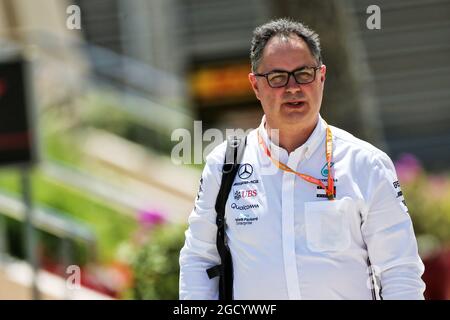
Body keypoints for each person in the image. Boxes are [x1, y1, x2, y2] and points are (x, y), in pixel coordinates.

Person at [179, 18, 425, 300]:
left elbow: (399, 271)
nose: (292, 87)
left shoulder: (366, 164)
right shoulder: (224, 164)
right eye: (277, 77)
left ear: (321, 77)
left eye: (303, 74)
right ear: (255, 86)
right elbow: (199, 258)